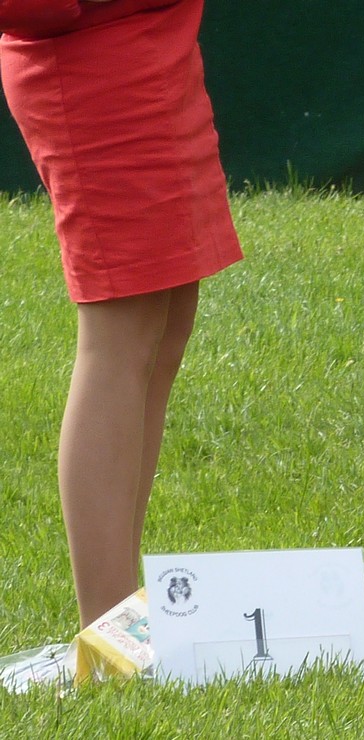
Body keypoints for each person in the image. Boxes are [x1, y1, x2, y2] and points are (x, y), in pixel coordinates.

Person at [0, 0, 243, 627]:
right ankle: (107, 632)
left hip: (157, 45)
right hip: (94, 62)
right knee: (120, 338)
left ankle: (127, 612)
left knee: (165, 330)